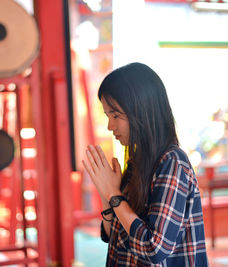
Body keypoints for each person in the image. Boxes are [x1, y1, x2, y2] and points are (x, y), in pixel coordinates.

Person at [82, 62, 209, 266]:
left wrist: (114, 196)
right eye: (108, 116)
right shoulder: (137, 161)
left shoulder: (172, 163)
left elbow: (154, 249)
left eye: (115, 115)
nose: (109, 126)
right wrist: (108, 196)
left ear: (141, 110)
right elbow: (111, 234)